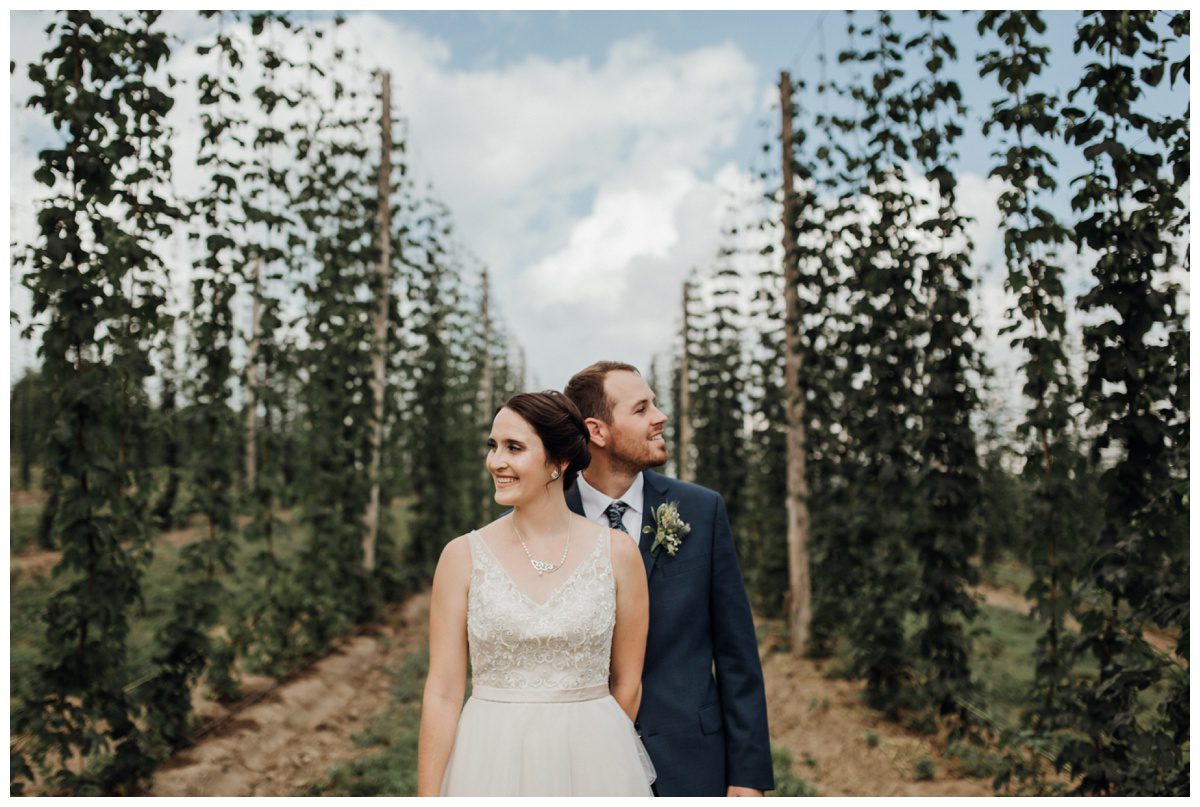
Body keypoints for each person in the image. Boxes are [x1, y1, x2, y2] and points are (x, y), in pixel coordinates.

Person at [416, 390, 655, 796]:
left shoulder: (617, 554)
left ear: (559, 462)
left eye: (514, 447)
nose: (496, 461)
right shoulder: (461, 556)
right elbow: (442, 692)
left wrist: (597, 756)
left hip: (593, 763)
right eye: (493, 446)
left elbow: (628, 682)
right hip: (489, 761)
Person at [564, 361, 774, 797]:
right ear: (597, 431)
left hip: (691, 763)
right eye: (641, 409)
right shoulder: (549, 518)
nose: (659, 417)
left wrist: (748, 776)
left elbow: (736, 653)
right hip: (575, 763)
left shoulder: (702, 510)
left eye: (655, 404)